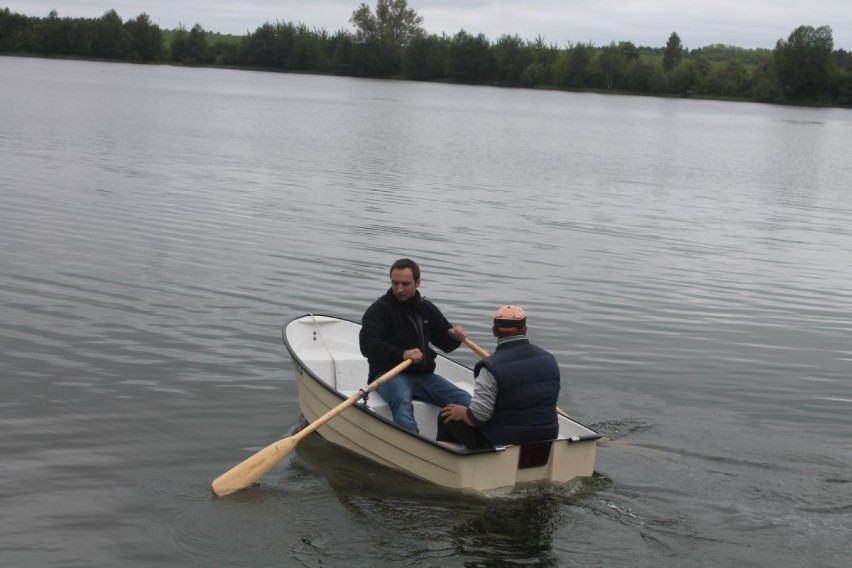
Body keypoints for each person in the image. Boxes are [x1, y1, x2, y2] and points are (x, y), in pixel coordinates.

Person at [359, 258, 472, 433]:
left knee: (466, 401)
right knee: (402, 403)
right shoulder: (379, 310)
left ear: (417, 283)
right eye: (395, 283)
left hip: (423, 376)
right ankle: (413, 448)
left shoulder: (425, 309)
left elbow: (445, 343)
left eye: (405, 284)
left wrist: (455, 336)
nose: (399, 289)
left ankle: (471, 443)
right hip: (388, 375)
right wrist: (401, 354)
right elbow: (367, 345)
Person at [437, 305, 560, 449]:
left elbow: (477, 417)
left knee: (447, 416)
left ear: (494, 331)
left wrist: (462, 412)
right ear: (525, 329)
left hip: (504, 440)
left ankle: (457, 464)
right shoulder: (549, 359)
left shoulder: (490, 367)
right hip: (547, 435)